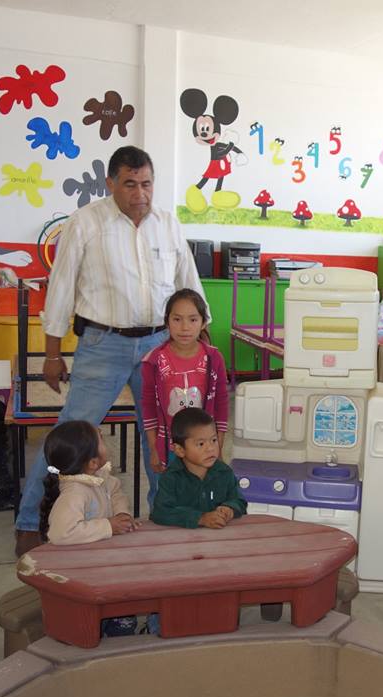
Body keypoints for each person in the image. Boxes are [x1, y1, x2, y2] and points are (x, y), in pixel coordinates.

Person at [14, 145, 207, 557]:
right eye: (130, 184)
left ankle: (166, 512)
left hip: (159, 344)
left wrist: (199, 342)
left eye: (147, 184)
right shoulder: (86, 223)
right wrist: (51, 354)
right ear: (111, 184)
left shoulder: (168, 225)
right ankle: (30, 520)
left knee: (162, 435)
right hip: (102, 344)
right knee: (70, 435)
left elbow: (189, 285)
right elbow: (61, 290)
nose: (141, 194)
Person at [38, 420, 139, 637]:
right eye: (101, 437)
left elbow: (116, 492)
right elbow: (61, 533)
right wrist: (107, 525)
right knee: (93, 615)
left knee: (117, 593)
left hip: (98, 563)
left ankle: (115, 626)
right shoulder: (75, 493)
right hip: (77, 573)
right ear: (92, 462)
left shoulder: (98, 477)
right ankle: (102, 636)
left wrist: (122, 514)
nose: (104, 437)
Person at [141, 289, 228, 474]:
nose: (185, 327)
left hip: (204, 447)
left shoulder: (214, 358)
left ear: (204, 322)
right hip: (169, 447)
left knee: (201, 496)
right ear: (167, 322)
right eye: (177, 319)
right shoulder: (153, 361)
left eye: (193, 319)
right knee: (168, 497)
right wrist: (153, 448)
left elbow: (222, 405)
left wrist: (217, 446)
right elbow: (148, 408)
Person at [151, 407, 247, 529]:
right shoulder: (171, 477)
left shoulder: (224, 472)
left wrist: (230, 508)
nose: (210, 448)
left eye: (213, 440)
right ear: (180, 450)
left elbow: (239, 501)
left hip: (219, 540)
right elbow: (161, 512)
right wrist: (200, 518)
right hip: (181, 542)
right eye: (201, 444)